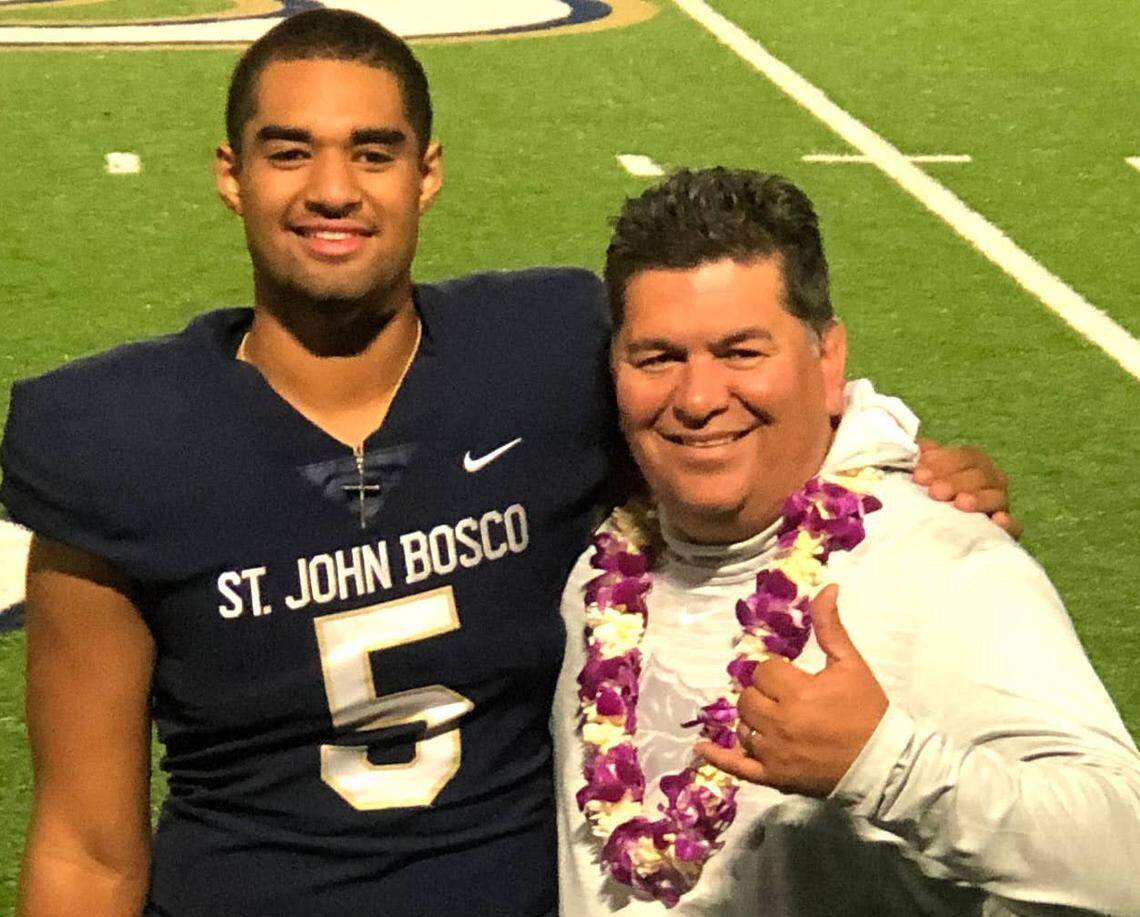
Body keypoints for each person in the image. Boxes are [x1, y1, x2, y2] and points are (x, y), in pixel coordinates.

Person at [1, 12, 1014, 917]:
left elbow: (738, 415)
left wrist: (898, 464)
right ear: (233, 174)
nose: (332, 189)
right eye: (288, 152)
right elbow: (87, 846)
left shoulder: (546, 353)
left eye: (373, 151)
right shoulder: (121, 441)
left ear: (426, 173)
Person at [552, 168, 1140, 916]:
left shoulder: (940, 564)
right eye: (659, 357)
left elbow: (1128, 854)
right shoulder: (597, 567)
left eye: (741, 352)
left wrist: (887, 763)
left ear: (828, 362)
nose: (697, 399)